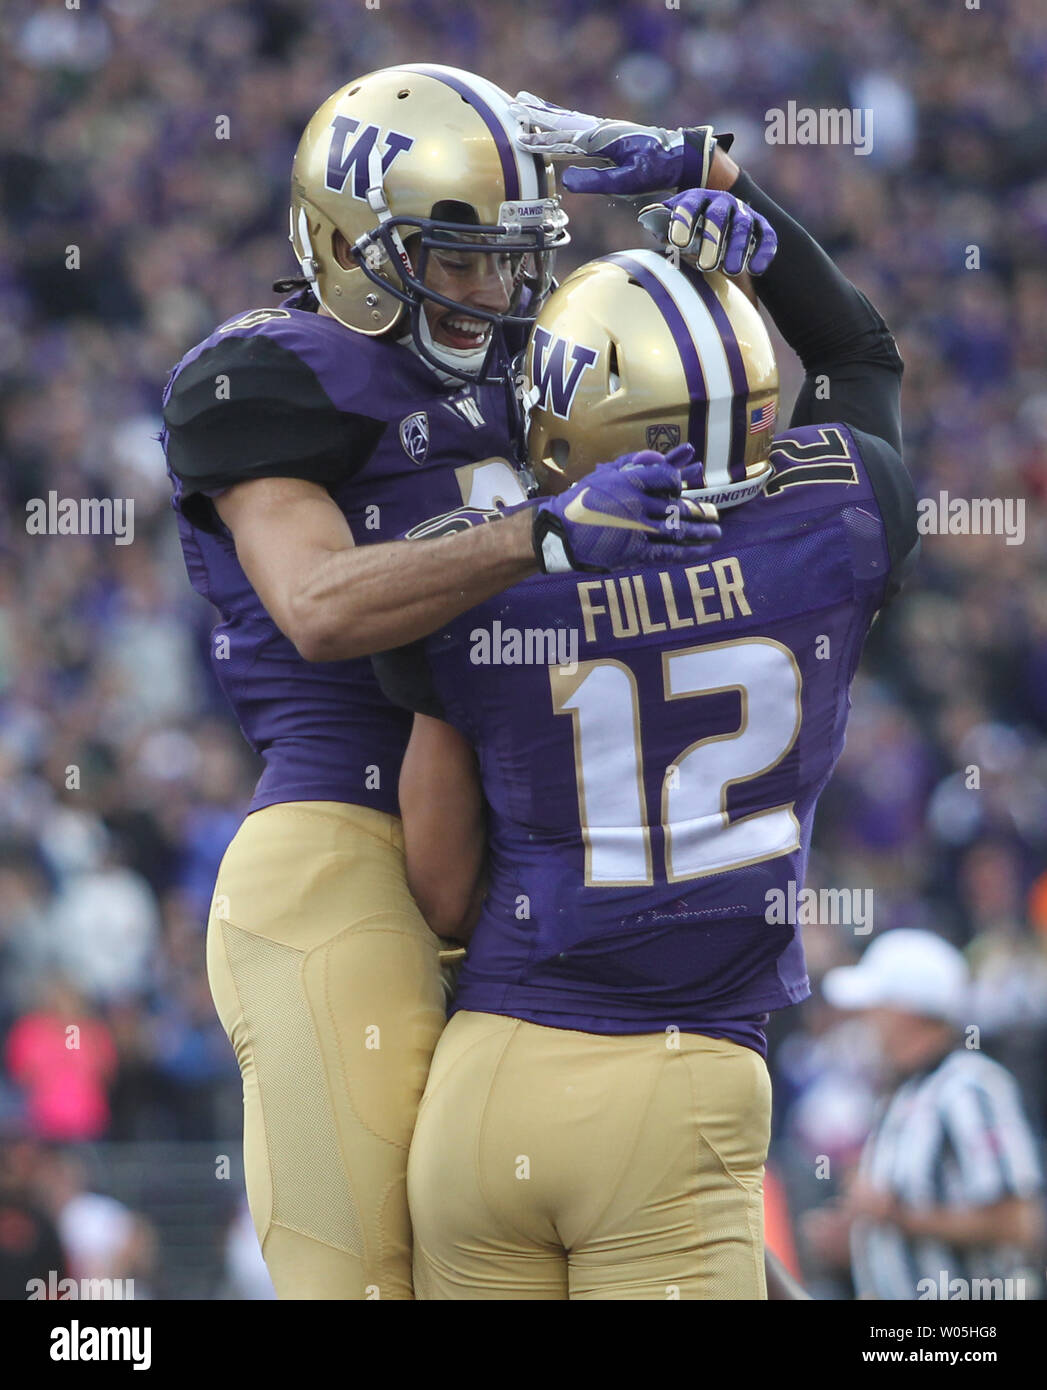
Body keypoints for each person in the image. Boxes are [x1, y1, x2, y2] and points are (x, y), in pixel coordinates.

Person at [160, 63, 723, 1300]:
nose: (491, 292)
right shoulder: (275, 373)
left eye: (509, 260)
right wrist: (540, 534)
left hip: (527, 860)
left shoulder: (529, 371)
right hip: (346, 843)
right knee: (366, 1281)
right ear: (348, 242)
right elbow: (318, 606)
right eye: (456, 259)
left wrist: (714, 187)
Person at [373, 109, 919, 1297]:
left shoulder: (476, 574)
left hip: (489, 1082)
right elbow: (861, 352)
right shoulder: (839, 520)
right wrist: (722, 180)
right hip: (680, 1083)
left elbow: (439, 887)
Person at [814, 929, 1045, 1300]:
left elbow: (1017, 1222)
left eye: (875, 1006)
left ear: (906, 1011)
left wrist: (896, 1216)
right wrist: (860, 1233)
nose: (865, 1019)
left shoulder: (970, 1086)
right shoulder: (904, 1092)